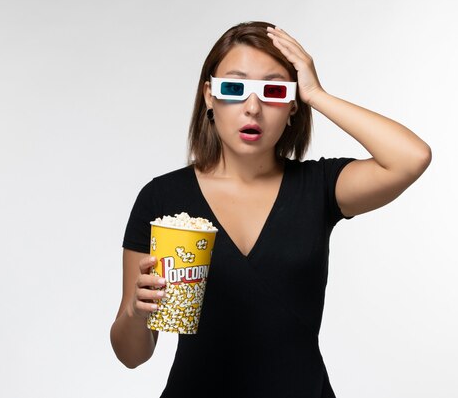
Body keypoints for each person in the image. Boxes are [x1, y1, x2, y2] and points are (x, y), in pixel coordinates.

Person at [110, 21, 431, 397]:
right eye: (235, 87)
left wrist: (316, 93)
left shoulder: (320, 186)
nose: (253, 107)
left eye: (274, 90)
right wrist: (137, 311)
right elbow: (132, 355)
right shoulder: (162, 197)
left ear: (293, 104)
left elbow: (411, 157)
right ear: (209, 96)